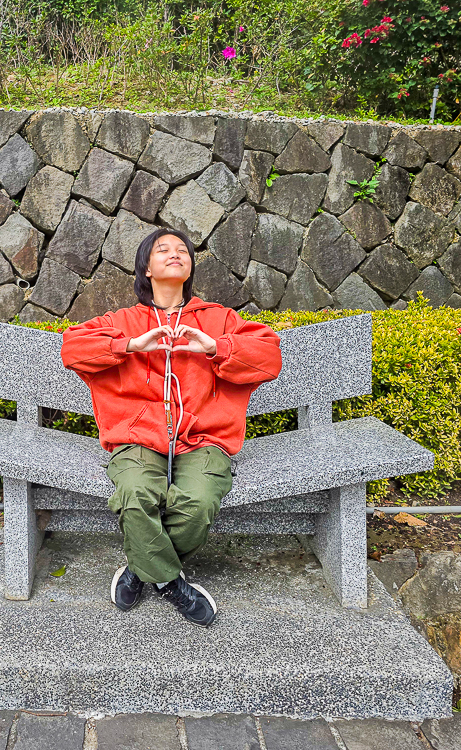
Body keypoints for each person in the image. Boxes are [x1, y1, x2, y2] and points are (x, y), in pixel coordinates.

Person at [60, 227, 283, 628]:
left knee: (198, 503)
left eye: (183, 249)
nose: (175, 253)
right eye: (162, 249)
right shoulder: (123, 321)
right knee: (135, 493)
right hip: (138, 437)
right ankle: (171, 583)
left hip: (204, 439)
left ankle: (139, 569)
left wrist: (216, 347)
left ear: (190, 267)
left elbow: (269, 357)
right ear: (146, 268)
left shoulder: (219, 319)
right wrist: (129, 345)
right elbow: (73, 348)